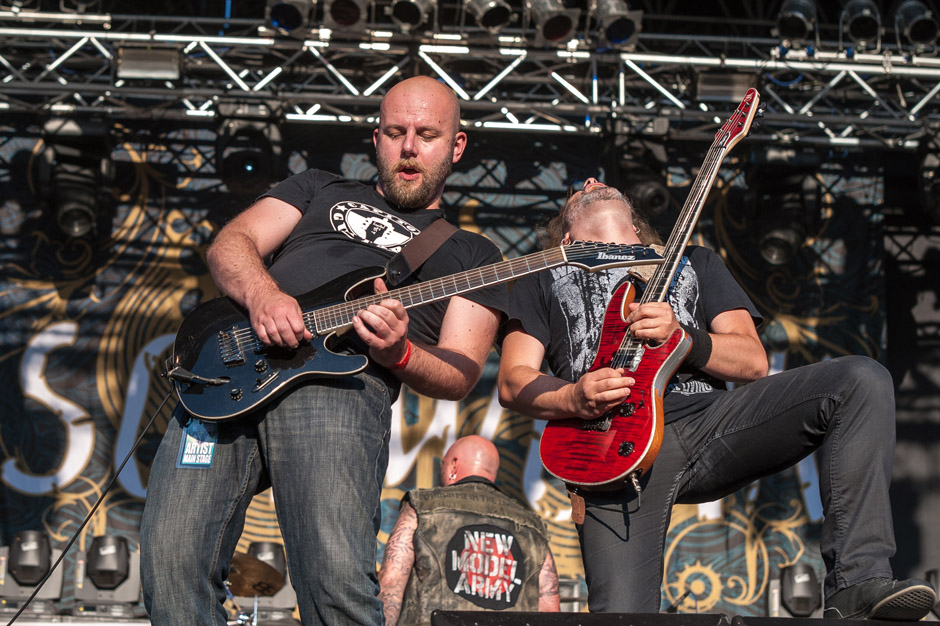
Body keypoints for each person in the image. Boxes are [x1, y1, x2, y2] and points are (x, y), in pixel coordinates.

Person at [139, 76, 509, 626]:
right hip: (230, 370)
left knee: (333, 581)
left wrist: (400, 353)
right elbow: (231, 245)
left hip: (339, 389)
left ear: (455, 147)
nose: (409, 148)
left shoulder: (472, 252)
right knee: (168, 567)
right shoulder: (318, 187)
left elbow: (460, 369)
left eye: (427, 135)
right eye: (395, 132)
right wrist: (265, 295)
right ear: (375, 139)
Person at [496, 178, 937, 619]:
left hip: (710, 424)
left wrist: (683, 338)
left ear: (637, 223)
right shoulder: (542, 276)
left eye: (600, 180)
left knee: (861, 380)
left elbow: (752, 361)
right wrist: (574, 396)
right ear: (567, 236)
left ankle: (855, 583)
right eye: (577, 187)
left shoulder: (693, 262)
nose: (592, 181)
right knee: (621, 616)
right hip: (611, 449)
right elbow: (514, 381)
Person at [378, 435, 560, 625]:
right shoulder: (532, 526)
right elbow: (549, 607)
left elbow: (392, 581)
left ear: (453, 465)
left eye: (444, 464)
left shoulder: (423, 506)